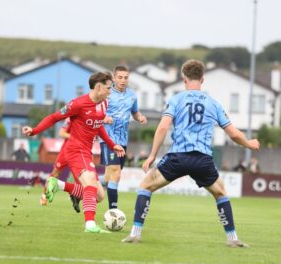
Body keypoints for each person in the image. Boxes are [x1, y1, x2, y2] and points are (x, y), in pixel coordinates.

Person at [122, 59, 260, 247]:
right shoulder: (214, 104)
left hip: (178, 156)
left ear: (183, 78)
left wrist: (153, 155)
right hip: (202, 159)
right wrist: (250, 144)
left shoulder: (176, 99)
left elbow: (163, 127)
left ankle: (135, 233)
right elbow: (233, 134)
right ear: (202, 79)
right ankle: (233, 238)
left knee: (146, 186)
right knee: (221, 194)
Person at [22, 72, 125, 234]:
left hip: (86, 151)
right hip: (76, 149)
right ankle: (90, 225)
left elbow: (98, 127)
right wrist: (34, 131)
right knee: (90, 182)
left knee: (98, 196)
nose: (110, 91)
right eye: (107, 87)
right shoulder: (78, 104)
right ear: (98, 87)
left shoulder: (104, 104)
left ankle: (58, 184)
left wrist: (113, 145)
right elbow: (54, 117)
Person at [100, 65, 147, 209]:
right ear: (114, 78)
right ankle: (113, 212)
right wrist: (104, 117)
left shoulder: (132, 95)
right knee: (116, 173)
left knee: (110, 178)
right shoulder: (107, 93)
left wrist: (140, 117)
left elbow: (135, 112)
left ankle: (87, 183)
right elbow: (95, 112)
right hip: (108, 139)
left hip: (123, 140)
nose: (123, 80)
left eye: (126, 77)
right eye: (120, 77)